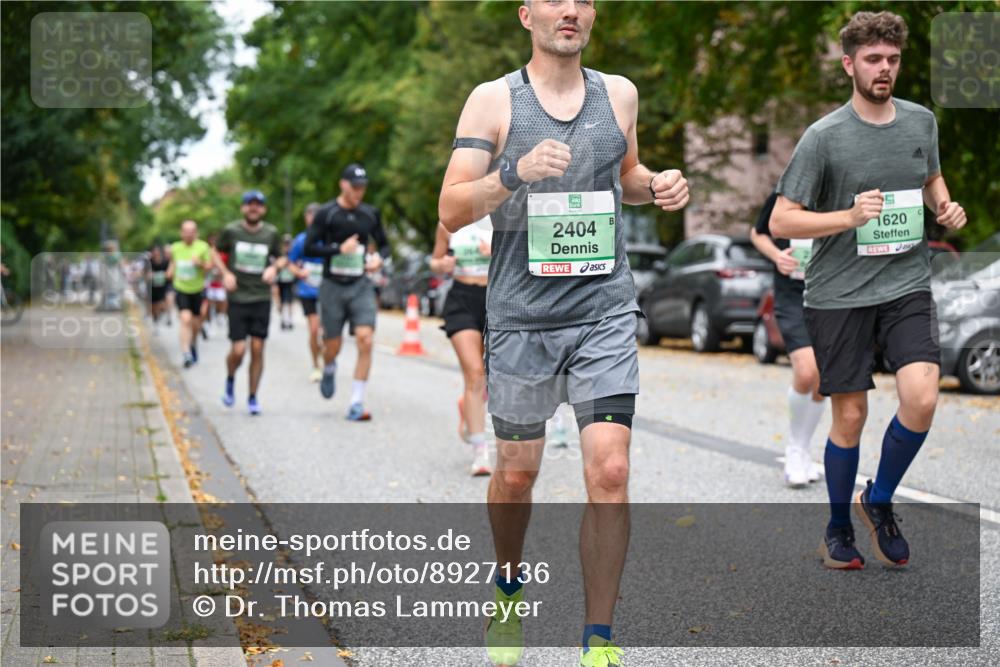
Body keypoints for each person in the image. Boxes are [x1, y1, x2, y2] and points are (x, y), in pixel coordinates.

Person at [437, 1, 689, 664]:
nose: (570, 10)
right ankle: (508, 584)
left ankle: (598, 639)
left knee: (610, 467)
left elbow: (624, 177)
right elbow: (452, 206)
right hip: (522, 317)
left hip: (603, 309)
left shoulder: (620, 95)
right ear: (527, 15)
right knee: (517, 475)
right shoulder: (494, 101)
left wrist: (656, 183)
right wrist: (514, 172)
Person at [771, 11, 966, 570]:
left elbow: (929, 178)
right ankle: (837, 528)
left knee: (922, 398)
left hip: (906, 283)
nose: (885, 69)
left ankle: (877, 500)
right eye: (874, 60)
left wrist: (943, 206)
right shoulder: (823, 137)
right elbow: (784, 220)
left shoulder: (920, 122)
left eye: (893, 60)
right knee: (850, 417)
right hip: (839, 294)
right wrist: (848, 217)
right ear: (849, 63)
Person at [304, 164, 391, 421]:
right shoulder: (326, 214)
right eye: (355, 187)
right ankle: (329, 365)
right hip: (332, 286)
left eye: (363, 188)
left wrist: (379, 260)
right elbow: (309, 248)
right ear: (343, 184)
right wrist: (338, 250)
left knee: (365, 338)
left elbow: (385, 246)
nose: (359, 193)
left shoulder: (370, 214)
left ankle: (356, 401)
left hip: (360, 284)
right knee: (332, 346)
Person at [750, 192, 825, 487]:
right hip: (791, 296)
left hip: (828, 296)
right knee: (807, 370)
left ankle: (804, 449)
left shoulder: (834, 193)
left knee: (824, 380)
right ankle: (794, 447)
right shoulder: (784, 194)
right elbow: (757, 234)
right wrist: (776, 255)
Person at [213, 190, 287, 416]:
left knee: (257, 347)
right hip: (237, 298)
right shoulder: (232, 231)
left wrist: (274, 267)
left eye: (258, 205)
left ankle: (253, 396)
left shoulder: (270, 233)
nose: (253, 208)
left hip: (261, 298)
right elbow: (215, 252)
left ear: (263, 209)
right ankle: (230, 378)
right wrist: (225, 273)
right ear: (243, 208)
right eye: (249, 204)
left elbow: (283, 257)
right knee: (238, 349)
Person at [430, 217, 493, 477]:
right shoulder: (450, 221)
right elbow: (435, 261)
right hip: (462, 300)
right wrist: (442, 265)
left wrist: (496, 252)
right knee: (475, 374)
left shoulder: (502, 214)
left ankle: (468, 404)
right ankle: (480, 451)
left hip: (497, 298)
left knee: (494, 376)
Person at [168, 220, 213, 367]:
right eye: (185, 231)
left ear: (196, 233)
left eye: (191, 231)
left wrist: (199, 263)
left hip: (198, 290)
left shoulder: (203, 247)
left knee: (195, 324)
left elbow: (209, 267)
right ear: (181, 233)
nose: (188, 234)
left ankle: (193, 344)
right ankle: (186, 353)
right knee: (185, 319)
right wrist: (170, 271)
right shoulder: (175, 248)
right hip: (181, 288)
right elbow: (174, 263)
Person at [288, 203, 325, 382]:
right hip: (308, 290)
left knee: (327, 333)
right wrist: (299, 272)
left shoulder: (329, 238)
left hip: (328, 290)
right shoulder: (301, 240)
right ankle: (316, 365)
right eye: (311, 217)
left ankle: (327, 359)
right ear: (306, 219)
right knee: (313, 329)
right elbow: (290, 263)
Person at [201, 232, 228, 336]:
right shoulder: (206, 251)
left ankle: (221, 315)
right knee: (207, 303)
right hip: (208, 280)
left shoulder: (224, 252)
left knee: (222, 300)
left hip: (220, 281)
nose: (214, 242)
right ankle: (207, 323)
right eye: (212, 239)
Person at [276, 234, 298, 330]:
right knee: (281, 300)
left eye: (288, 244)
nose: (287, 246)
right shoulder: (280, 254)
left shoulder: (294, 254)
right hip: (281, 280)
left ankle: (289, 320)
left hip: (291, 280)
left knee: (290, 301)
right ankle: (283, 319)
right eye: (285, 244)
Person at [147, 245, 170, 334]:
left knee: (162, 304)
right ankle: (155, 322)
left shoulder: (165, 262)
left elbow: (169, 274)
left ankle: (163, 316)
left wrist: (163, 275)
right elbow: (145, 274)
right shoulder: (149, 262)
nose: (156, 254)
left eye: (157, 252)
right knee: (153, 308)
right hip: (152, 287)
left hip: (163, 286)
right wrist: (149, 276)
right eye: (154, 252)